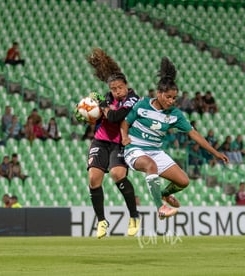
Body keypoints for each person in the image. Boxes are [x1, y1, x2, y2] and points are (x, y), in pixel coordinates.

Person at [120, 57, 229, 219]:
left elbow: (194, 134)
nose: (171, 101)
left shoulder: (175, 114)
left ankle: (164, 194)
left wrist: (215, 152)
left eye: (174, 98)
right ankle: (161, 208)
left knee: (183, 181)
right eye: (168, 97)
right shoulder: (142, 104)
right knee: (151, 166)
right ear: (159, 93)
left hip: (155, 151)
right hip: (134, 148)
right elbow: (125, 123)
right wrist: (124, 137)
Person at [78, 48, 141, 239]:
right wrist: (89, 114)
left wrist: (103, 107)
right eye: (113, 89)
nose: (116, 92)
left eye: (119, 88)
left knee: (117, 174)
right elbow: (101, 114)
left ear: (126, 85)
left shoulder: (133, 99)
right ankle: (102, 221)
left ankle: (134, 216)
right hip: (101, 140)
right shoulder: (108, 97)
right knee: (93, 179)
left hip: (119, 143)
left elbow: (114, 117)